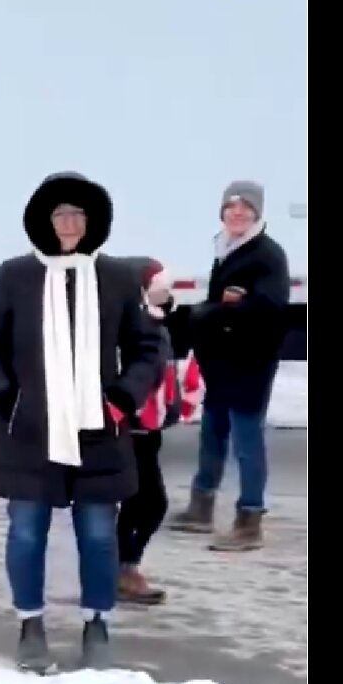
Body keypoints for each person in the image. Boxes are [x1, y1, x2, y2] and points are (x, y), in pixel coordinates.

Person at [0, 172, 166, 672]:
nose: (70, 223)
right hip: (28, 432)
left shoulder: (117, 276)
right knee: (27, 533)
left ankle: (96, 622)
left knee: (99, 535)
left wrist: (123, 398)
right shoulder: (15, 275)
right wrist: (4, 398)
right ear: (44, 221)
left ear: (93, 221)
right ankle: (30, 623)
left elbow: (148, 348)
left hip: (99, 431)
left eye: (79, 214)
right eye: (61, 215)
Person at [167, 180, 289, 552]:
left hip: (249, 364)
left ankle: (249, 520)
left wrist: (217, 311)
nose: (238, 213)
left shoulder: (267, 254)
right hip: (222, 363)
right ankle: (201, 507)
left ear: (257, 213)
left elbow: (269, 309)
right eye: (231, 206)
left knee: (246, 441)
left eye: (246, 207)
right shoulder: (227, 247)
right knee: (212, 433)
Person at [113, 258, 202, 605]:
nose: (165, 295)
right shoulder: (135, 326)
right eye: (158, 288)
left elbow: (165, 374)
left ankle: (122, 567)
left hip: (149, 430)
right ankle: (123, 568)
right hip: (130, 429)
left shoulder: (160, 323)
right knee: (149, 502)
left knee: (139, 503)